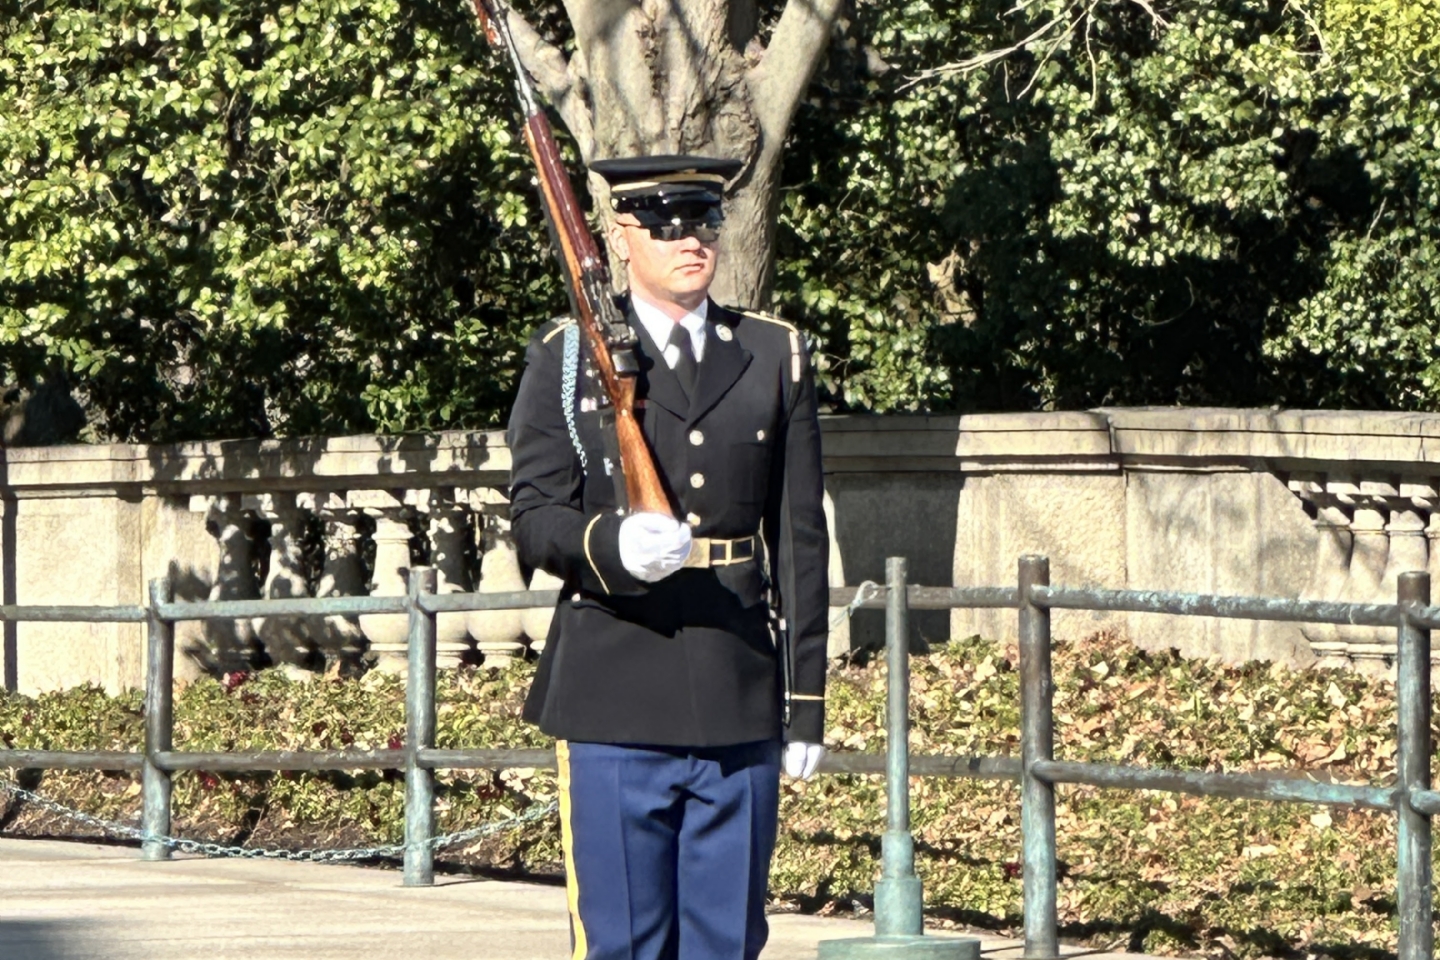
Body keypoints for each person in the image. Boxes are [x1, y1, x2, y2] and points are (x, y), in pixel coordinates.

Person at [506, 154, 830, 960]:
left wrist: (805, 702)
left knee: (727, 942)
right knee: (624, 943)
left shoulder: (772, 352)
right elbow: (535, 518)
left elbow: (799, 541)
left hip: (736, 686)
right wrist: (610, 544)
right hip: (614, 692)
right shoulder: (567, 357)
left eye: (706, 221)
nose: (692, 240)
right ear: (620, 237)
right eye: (665, 225)